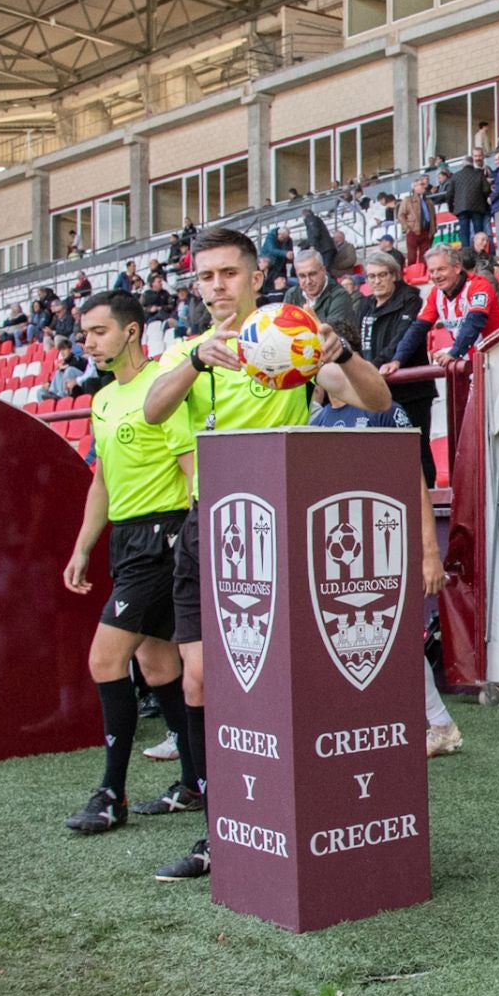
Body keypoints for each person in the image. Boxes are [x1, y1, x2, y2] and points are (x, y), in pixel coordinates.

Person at [141, 228, 392, 883]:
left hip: (271, 530)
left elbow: (377, 400)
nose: (216, 286)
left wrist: (344, 353)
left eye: (228, 273)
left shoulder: (289, 337)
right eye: (206, 277)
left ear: (256, 278)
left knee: (275, 687)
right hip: (206, 526)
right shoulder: (190, 349)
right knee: (198, 680)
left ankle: (299, 816)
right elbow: (153, 409)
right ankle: (218, 828)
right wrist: (196, 365)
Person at [60, 291, 196, 835]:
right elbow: (102, 480)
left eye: (99, 332)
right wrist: (83, 546)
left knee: (105, 659)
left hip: (164, 537)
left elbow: (192, 468)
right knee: (158, 666)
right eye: (84, 335)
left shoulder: (164, 387)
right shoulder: (102, 399)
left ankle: (111, 793)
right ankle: (195, 782)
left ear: (132, 331)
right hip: (127, 539)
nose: (89, 344)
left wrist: (196, 538)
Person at [308, 366, 456, 758]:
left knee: (397, 636)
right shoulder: (317, 421)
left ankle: (440, 723)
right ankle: (371, 723)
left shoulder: (383, 410)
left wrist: (429, 552)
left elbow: (415, 482)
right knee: (345, 637)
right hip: (341, 552)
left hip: (385, 541)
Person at [355, 251, 438, 488]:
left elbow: (401, 340)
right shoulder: (365, 305)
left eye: (382, 275)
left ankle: (428, 498)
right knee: (381, 451)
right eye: (371, 276)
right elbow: (356, 342)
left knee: (416, 449)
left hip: (411, 392)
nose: (377, 281)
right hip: (376, 390)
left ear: (394, 275)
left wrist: (367, 370)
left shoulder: (411, 300)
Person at [382, 245, 499, 374]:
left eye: (441, 269)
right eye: (432, 271)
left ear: (457, 268)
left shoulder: (479, 286)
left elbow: (474, 322)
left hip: (498, 360)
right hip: (468, 362)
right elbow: (417, 329)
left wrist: (454, 353)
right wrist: (397, 360)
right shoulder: (436, 293)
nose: (436, 276)